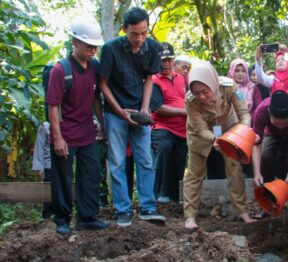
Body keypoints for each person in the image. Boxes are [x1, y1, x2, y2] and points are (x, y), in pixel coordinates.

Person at [99, 7, 164, 227]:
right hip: (115, 112)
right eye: (135, 33)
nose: (140, 38)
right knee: (117, 162)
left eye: (144, 33)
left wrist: (145, 108)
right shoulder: (110, 49)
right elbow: (102, 84)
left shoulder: (153, 47)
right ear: (125, 29)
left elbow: (149, 79)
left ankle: (148, 206)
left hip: (139, 111)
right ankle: (123, 209)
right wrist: (118, 111)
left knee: (145, 160)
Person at [46, 18, 109, 234]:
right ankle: (62, 219)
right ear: (75, 42)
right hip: (65, 133)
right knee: (63, 177)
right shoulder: (60, 70)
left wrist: (101, 124)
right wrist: (58, 138)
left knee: (90, 174)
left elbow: (95, 97)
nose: (92, 51)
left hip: (86, 133)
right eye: (88, 46)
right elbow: (53, 106)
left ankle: (87, 217)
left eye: (95, 47)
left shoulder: (95, 67)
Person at [183, 60, 256, 229]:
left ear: (213, 83)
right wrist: (214, 139)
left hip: (229, 129)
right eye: (196, 93)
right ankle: (190, 216)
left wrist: (240, 134)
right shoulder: (190, 100)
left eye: (205, 91)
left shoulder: (231, 87)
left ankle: (242, 211)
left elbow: (244, 115)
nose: (201, 97)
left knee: (234, 168)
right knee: (194, 174)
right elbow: (200, 129)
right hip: (199, 135)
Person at [151, 42, 188, 203]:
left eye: (168, 60)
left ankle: (175, 195)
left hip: (182, 129)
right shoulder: (154, 79)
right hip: (162, 127)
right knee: (165, 150)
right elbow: (158, 108)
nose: (166, 63)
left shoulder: (181, 78)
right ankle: (161, 193)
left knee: (180, 159)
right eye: (162, 60)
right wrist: (183, 111)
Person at [31, 121, 54, 219]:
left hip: (63, 164)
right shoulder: (45, 127)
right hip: (48, 165)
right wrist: (40, 168)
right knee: (48, 191)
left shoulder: (68, 123)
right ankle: (47, 215)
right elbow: (39, 148)